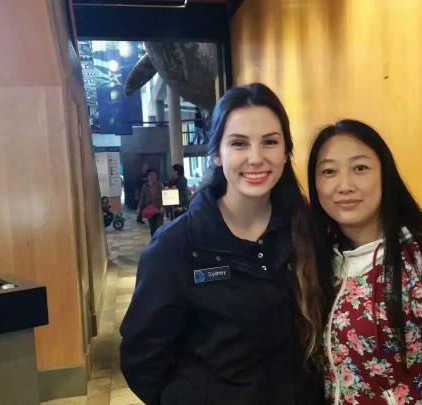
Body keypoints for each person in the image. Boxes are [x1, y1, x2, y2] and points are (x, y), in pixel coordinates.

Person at [120, 83, 327, 405]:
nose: (256, 158)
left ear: (286, 151)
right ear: (217, 153)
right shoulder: (176, 246)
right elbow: (142, 359)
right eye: (239, 143)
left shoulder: (307, 230)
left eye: (270, 142)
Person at [308, 120, 422, 404]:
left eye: (360, 168)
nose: (344, 186)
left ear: (386, 175)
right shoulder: (321, 260)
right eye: (329, 171)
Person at [137, 168, 163, 236]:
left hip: (158, 209)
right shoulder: (145, 186)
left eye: (154, 175)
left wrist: (163, 206)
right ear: (147, 177)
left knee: (159, 226)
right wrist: (139, 207)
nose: (152, 177)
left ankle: (160, 240)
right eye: (150, 175)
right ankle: (154, 240)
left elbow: (163, 196)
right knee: (152, 227)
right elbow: (142, 198)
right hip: (149, 209)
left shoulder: (159, 185)